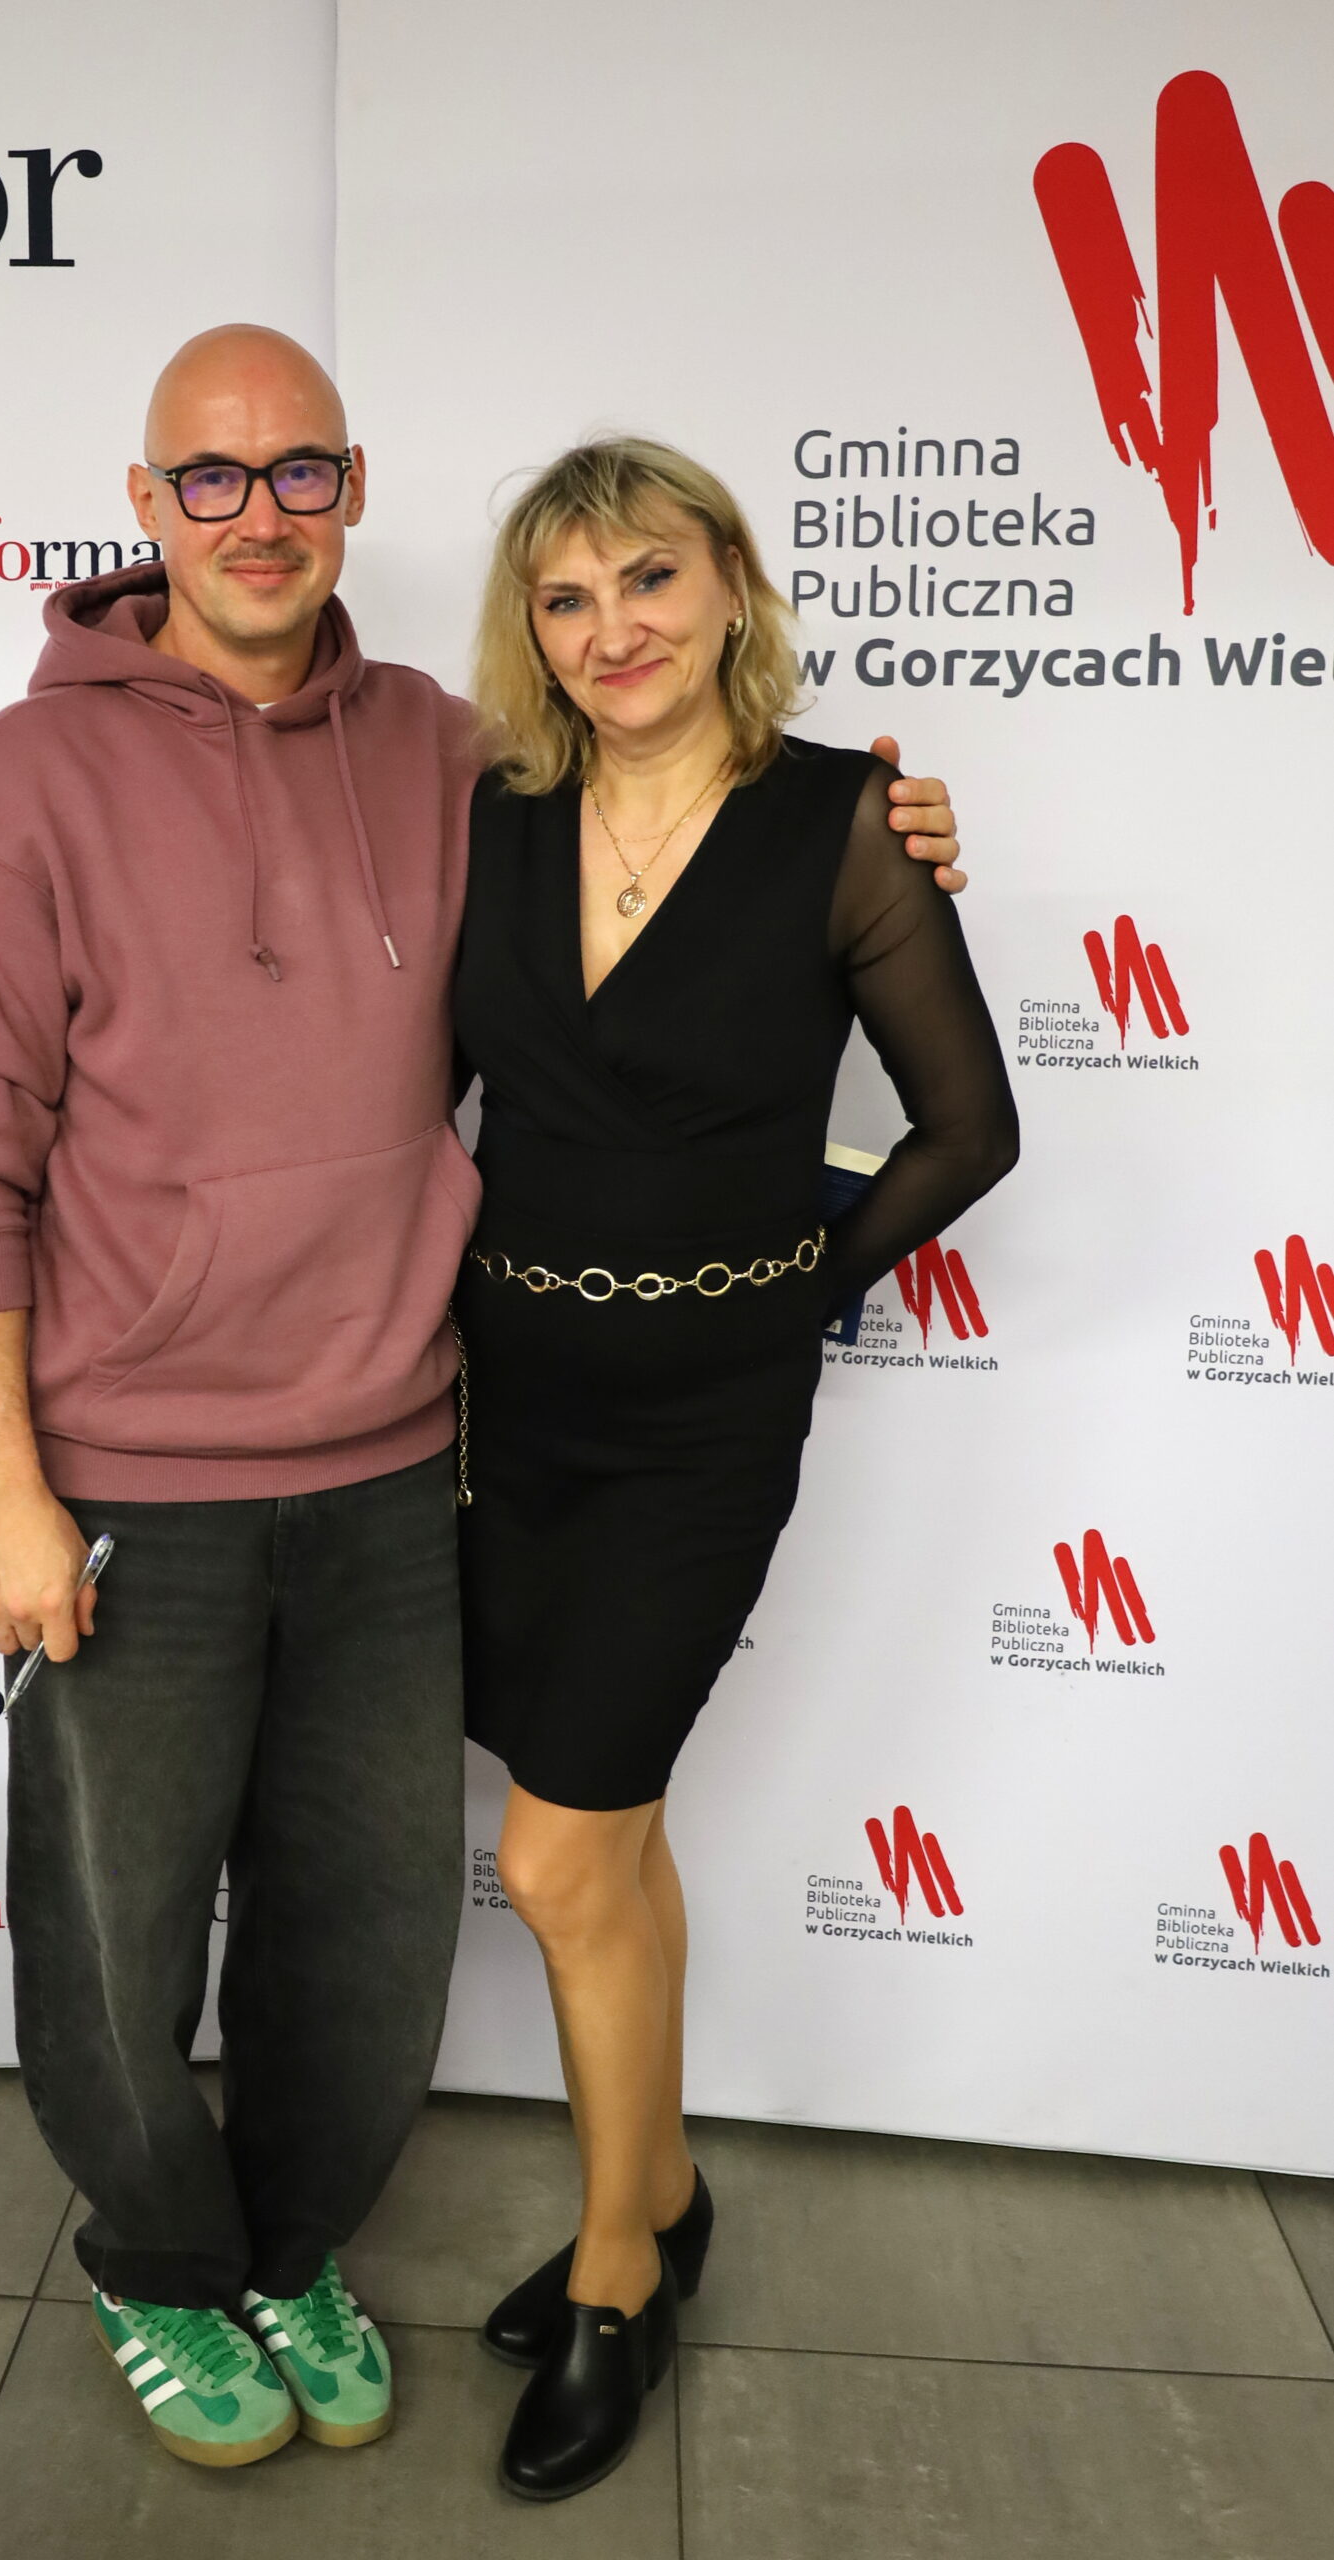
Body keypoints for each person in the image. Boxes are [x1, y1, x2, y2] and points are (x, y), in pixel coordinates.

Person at [0, 329, 966, 2474]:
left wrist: (873, 826)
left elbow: (681, 840)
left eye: (299, 468)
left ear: (352, 488)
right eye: (209, 477)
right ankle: (161, 2262)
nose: (257, 512)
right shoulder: (19, 783)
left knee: (366, 1924)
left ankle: (293, 2243)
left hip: (400, 1455)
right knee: (114, 1926)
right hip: (135, 1476)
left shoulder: (454, 759)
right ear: (146, 502)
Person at [451, 436, 1019, 2502]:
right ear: (531, 630)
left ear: (727, 588)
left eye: (649, 579)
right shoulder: (493, 816)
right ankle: (668, 2184)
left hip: (697, 1431)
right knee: (605, 1841)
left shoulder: (840, 821)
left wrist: (797, 1287)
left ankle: (617, 2274)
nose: (612, 629)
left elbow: (967, 1128)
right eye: (566, 595)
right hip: (498, 1413)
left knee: (549, 1860)